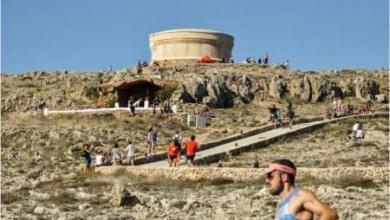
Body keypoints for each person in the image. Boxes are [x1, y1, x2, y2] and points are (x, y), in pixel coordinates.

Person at [265, 159, 338, 220]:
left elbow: (330, 214)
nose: (267, 181)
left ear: (284, 177)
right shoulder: (280, 206)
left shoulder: (300, 196)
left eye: (270, 176)